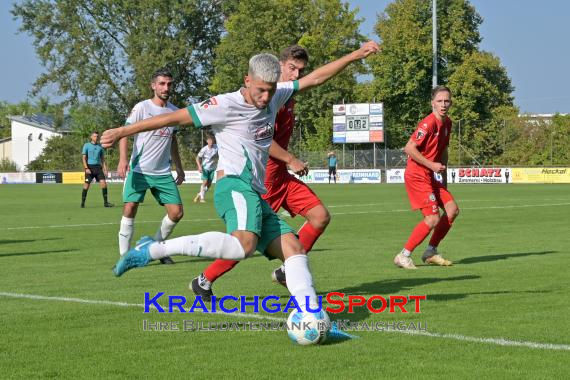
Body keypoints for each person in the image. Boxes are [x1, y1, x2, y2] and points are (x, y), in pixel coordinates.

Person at [102, 41, 379, 314]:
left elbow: (316, 78)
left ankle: (312, 316)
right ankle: (154, 249)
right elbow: (172, 119)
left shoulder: (277, 94)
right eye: (260, 90)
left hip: (255, 193)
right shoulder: (223, 104)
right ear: (247, 80)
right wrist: (121, 132)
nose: (265, 98)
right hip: (233, 185)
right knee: (243, 245)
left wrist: (355, 55)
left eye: (270, 92)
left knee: (294, 250)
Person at [191, 45, 332, 301]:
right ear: (279, 66)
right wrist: (290, 158)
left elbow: (318, 78)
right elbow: (260, 141)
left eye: (300, 71)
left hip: (282, 177)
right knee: (248, 240)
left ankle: (287, 270)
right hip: (263, 175)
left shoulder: (284, 95)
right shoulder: (267, 99)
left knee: (320, 216)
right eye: (292, 69)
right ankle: (205, 279)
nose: (296, 75)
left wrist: (355, 56)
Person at [116, 68, 185, 265]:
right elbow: (124, 133)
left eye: (169, 84)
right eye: (162, 83)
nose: (166, 87)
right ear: (153, 86)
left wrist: (178, 167)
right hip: (140, 170)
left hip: (163, 172)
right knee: (130, 208)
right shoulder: (142, 108)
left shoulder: (175, 111)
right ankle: (125, 256)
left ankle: (156, 248)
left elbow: (173, 140)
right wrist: (122, 160)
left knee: (176, 213)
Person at [394, 85, 459, 269]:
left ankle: (431, 251)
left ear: (451, 103)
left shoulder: (447, 123)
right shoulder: (428, 123)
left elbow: (443, 150)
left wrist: (443, 179)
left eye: (446, 101)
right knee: (432, 219)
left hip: (430, 174)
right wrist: (432, 165)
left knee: (452, 209)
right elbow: (409, 148)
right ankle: (403, 255)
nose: (443, 104)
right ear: (432, 103)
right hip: (417, 174)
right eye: (439, 101)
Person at [81, 131, 113, 208]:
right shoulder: (86, 145)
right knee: (86, 185)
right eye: (95, 136)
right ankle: (82, 203)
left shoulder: (100, 147)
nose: (96, 137)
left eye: (97, 136)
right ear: (91, 137)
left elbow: (102, 159)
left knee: (104, 184)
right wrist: (86, 168)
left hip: (98, 168)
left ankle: (106, 203)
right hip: (90, 168)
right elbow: (84, 158)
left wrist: (105, 169)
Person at [193, 135, 218, 203]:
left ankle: (199, 194)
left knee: (209, 185)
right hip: (205, 168)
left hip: (212, 168)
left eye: (212, 140)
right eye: (209, 140)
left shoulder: (216, 147)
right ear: (207, 141)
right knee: (205, 182)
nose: (211, 142)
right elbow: (197, 158)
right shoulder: (204, 149)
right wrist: (199, 166)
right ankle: (202, 199)